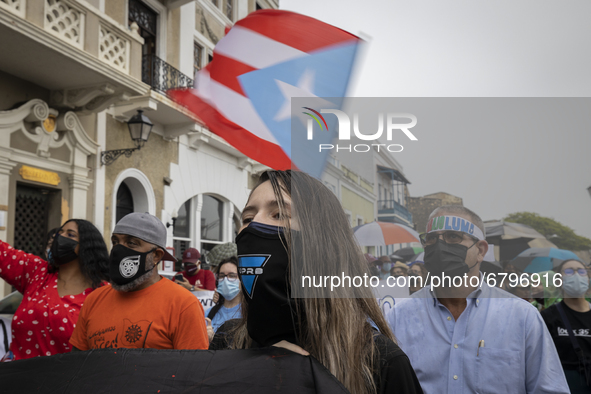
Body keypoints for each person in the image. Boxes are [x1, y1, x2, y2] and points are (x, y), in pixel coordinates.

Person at [211, 170, 423, 394]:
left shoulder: (380, 361)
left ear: (320, 240)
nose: (253, 225)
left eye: (278, 214)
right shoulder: (227, 341)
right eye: (247, 218)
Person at [387, 205, 569, 393]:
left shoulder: (522, 317)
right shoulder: (397, 317)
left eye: (453, 237)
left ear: (481, 250)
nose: (439, 245)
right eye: (431, 238)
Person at [70, 212, 208, 351]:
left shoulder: (183, 305)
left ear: (156, 256)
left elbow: (194, 368)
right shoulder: (93, 300)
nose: (118, 250)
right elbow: (77, 364)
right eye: (115, 242)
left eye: (131, 243)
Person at [0, 219, 109, 360]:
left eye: (70, 235)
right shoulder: (36, 272)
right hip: (15, 377)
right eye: (59, 232)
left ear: (88, 246)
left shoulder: (103, 294)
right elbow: (4, 254)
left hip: (64, 380)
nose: (60, 237)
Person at [541, 259, 591, 393]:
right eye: (569, 271)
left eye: (581, 271)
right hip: (564, 386)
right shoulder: (548, 317)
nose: (576, 275)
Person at [204, 257, 242, 333]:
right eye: (222, 275)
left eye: (232, 275)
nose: (225, 280)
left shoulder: (248, 313)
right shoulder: (209, 313)